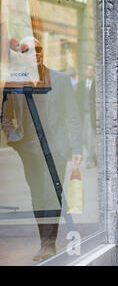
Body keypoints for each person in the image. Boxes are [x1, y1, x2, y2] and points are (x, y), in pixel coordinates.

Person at [2, 38, 82, 261]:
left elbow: (73, 116)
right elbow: (5, 117)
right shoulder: (14, 82)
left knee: (51, 195)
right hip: (29, 150)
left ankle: (49, 244)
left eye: (39, 49)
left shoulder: (61, 80)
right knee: (38, 196)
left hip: (56, 148)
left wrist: (76, 147)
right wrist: (15, 141)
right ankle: (44, 241)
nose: (36, 53)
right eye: (29, 50)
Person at [76, 64, 97, 168]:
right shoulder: (80, 84)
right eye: (88, 70)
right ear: (85, 72)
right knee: (83, 137)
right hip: (81, 114)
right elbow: (76, 100)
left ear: (93, 72)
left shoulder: (96, 84)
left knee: (90, 137)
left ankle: (89, 160)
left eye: (91, 70)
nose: (89, 72)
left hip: (91, 114)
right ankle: (92, 155)